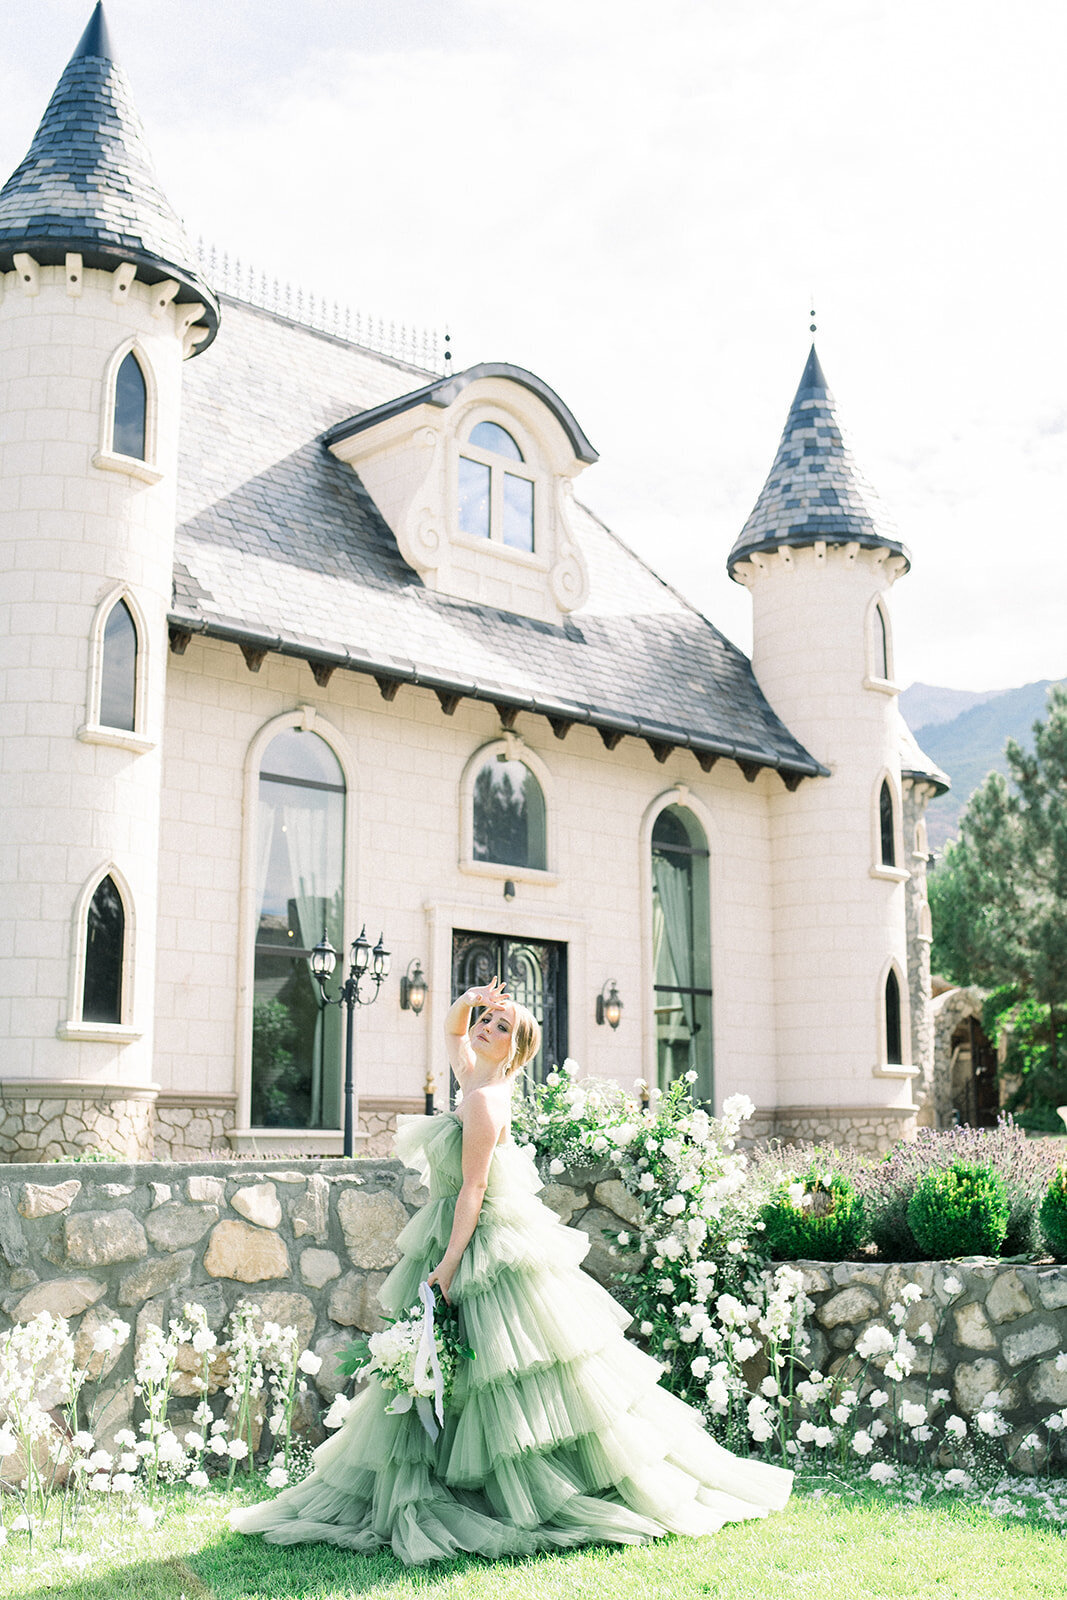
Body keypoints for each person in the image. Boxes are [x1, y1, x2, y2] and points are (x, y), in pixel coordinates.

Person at [227, 979, 792, 1565]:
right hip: (459, 1231)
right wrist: (472, 997)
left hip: (479, 1243)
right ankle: (468, 1479)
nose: (484, 1028)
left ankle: (530, 1490)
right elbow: (449, 1028)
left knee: (504, 1371)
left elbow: (472, 1189)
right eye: (487, 1019)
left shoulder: (482, 1098)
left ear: (515, 1050)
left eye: (500, 1027)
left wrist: (447, 1263)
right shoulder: (475, 1073)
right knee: (460, 1367)